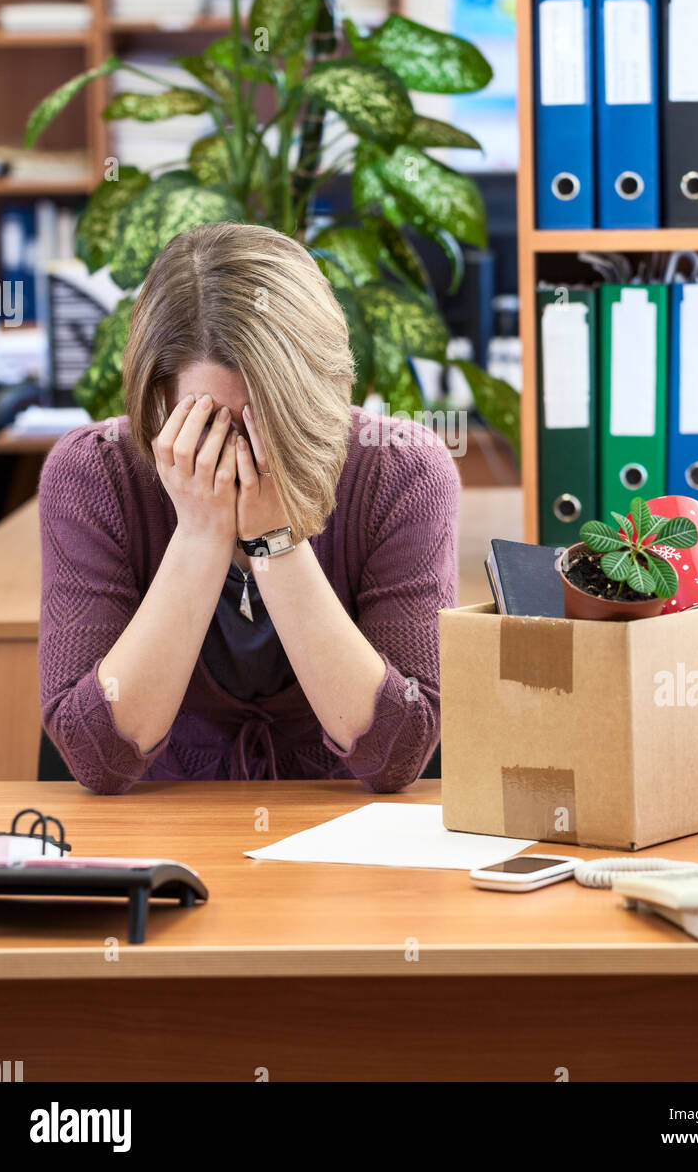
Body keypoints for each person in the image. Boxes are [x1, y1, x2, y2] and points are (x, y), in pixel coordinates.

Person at [38, 222, 460, 793]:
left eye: (268, 423)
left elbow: (396, 753)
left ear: (317, 401)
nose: (238, 455)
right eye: (204, 425)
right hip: (160, 836)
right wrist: (199, 535)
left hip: (346, 840)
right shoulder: (95, 475)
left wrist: (273, 538)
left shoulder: (403, 471)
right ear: (157, 402)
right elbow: (99, 758)